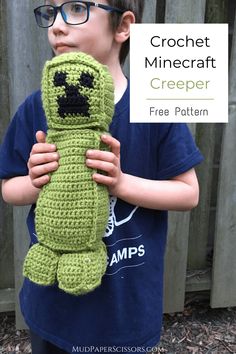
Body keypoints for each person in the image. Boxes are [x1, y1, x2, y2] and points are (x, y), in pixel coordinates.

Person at [0, 1, 203, 353]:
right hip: (52, 307)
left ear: (123, 27)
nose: (57, 27)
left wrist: (122, 183)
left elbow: (188, 194)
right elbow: (9, 189)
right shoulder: (36, 109)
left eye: (76, 9)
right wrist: (35, 181)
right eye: (50, 12)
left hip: (125, 313)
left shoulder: (155, 107)